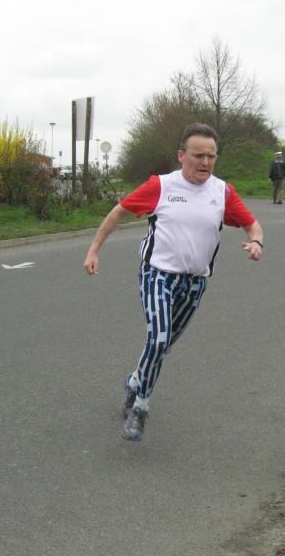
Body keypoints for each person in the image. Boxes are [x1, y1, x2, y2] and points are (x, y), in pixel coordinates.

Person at [83, 123, 264, 441]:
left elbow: (253, 225)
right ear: (182, 155)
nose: (205, 162)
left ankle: (135, 380)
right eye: (198, 155)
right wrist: (94, 250)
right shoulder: (161, 186)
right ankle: (140, 406)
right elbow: (118, 213)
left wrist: (256, 242)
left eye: (211, 156)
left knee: (161, 345)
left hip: (195, 284)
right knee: (159, 339)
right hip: (158, 275)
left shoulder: (222, 192)